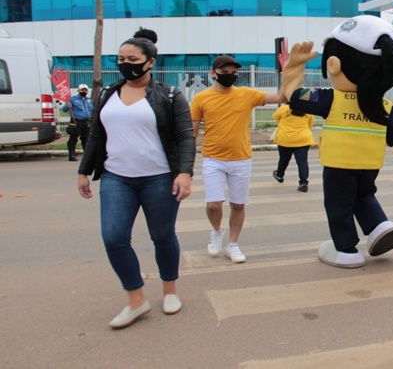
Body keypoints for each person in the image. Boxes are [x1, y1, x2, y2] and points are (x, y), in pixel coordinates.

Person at [76, 28, 195, 329]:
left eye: (132, 58)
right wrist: (83, 171)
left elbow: (184, 137)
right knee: (114, 238)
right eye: (120, 58)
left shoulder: (169, 95)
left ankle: (170, 290)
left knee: (162, 237)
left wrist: (184, 172)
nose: (125, 63)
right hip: (117, 178)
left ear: (150, 62)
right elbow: (95, 135)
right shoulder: (107, 94)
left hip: (159, 178)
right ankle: (136, 299)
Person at [282, 15, 393, 269]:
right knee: (364, 194)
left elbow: (294, 96)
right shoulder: (383, 107)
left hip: (339, 165)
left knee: (339, 204)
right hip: (369, 165)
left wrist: (293, 68)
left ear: (333, 64)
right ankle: (379, 225)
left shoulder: (331, 99)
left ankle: (345, 249)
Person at [191, 55, 288, 264]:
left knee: (238, 205)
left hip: (241, 159)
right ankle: (217, 232)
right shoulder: (201, 98)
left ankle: (233, 244)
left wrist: (289, 70)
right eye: (224, 73)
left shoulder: (247, 94)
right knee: (214, 205)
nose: (229, 76)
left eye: (233, 73)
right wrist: (184, 165)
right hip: (212, 159)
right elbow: (192, 133)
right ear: (213, 73)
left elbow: (281, 97)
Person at [272, 104, 315, 192]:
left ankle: (279, 175)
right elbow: (310, 124)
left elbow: (276, 118)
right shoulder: (308, 108)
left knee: (284, 159)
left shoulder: (283, 108)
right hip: (303, 139)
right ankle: (303, 183)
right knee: (302, 162)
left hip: (285, 138)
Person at [62, 84, 94, 161]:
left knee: (86, 139)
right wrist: (67, 106)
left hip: (86, 122)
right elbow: (64, 109)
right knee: (73, 138)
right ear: (78, 90)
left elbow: (92, 109)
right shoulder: (73, 99)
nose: (84, 91)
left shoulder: (89, 100)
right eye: (82, 90)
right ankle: (72, 155)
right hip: (76, 121)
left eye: (85, 90)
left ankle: (86, 156)